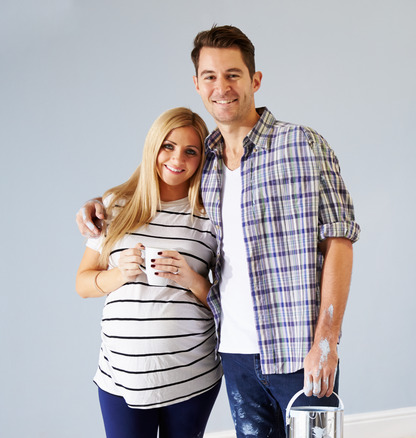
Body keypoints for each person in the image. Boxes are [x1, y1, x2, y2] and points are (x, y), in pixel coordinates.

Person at [76, 25, 360, 437]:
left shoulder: (302, 145)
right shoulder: (202, 163)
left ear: (255, 80)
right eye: (210, 76)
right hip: (234, 355)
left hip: (299, 351)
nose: (221, 86)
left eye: (233, 74)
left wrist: (327, 341)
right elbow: (156, 184)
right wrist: (99, 205)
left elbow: (339, 238)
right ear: (197, 84)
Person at [75, 107, 222, 438]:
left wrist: (192, 279)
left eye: (191, 151)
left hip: (191, 374)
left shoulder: (211, 216)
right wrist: (118, 275)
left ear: (202, 158)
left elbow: (228, 299)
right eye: (168, 146)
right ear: (153, 146)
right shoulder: (113, 205)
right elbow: (83, 283)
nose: (177, 159)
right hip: (120, 375)